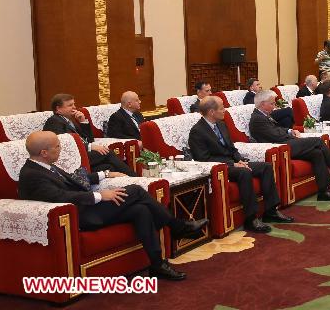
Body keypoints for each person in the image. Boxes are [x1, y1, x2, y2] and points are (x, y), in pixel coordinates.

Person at [19, 131, 206, 281]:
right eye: (57, 146)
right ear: (44, 152)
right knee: (135, 190)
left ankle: (158, 265)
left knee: (140, 210)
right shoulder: (32, 174)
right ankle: (177, 227)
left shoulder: (46, 165)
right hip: (78, 217)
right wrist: (101, 195)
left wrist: (106, 174)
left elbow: (75, 181)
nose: (60, 149)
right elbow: (61, 196)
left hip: (86, 208)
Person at [187, 96, 292, 233]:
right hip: (219, 167)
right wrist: (232, 164)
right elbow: (204, 159)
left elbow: (232, 148)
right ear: (212, 112)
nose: (225, 110)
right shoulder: (197, 131)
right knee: (245, 172)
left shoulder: (221, 124)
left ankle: (271, 211)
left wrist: (239, 159)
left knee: (265, 167)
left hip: (233, 162)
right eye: (221, 108)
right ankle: (251, 218)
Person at [248, 90, 330, 202]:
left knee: (316, 153)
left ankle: (324, 191)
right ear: (263, 104)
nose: (274, 106)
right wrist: (289, 134)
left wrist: (289, 130)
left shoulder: (264, 114)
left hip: (286, 142)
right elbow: (275, 136)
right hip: (281, 147)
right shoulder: (257, 119)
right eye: (272, 103)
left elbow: (276, 129)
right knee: (318, 141)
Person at [43, 93, 136, 176]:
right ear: (58, 109)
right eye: (70, 105)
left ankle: (126, 182)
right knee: (108, 153)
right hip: (72, 157)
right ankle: (134, 177)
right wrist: (90, 147)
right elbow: (64, 144)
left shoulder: (71, 121)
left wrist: (83, 122)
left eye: (74, 104)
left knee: (108, 166)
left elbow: (90, 139)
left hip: (82, 153)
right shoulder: (54, 121)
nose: (74, 107)